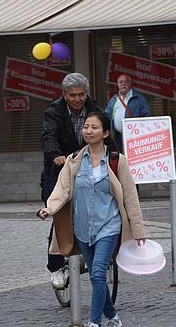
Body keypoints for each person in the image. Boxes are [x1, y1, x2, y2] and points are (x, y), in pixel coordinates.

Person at [38, 112, 146, 327]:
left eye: (94, 127)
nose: (88, 131)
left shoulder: (117, 161)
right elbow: (62, 190)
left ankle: (94, 323)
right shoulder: (74, 161)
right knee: (96, 278)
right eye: (86, 127)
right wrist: (48, 209)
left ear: (105, 133)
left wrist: (139, 230)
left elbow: (131, 198)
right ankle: (112, 316)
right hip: (82, 228)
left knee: (97, 272)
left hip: (109, 225)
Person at [41, 73, 103, 288]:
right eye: (72, 95)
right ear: (64, 95)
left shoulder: (95, 111)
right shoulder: (53, 112)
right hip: (59, 170)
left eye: (81, 95)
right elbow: (49, 137)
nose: (77, 99)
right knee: (60, 215)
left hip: (89, 167)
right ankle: (56, 266)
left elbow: (106, 135)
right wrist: (56, 156)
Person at [105, 73, 150, 151]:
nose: (123, 84)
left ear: (130, 83)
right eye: (121, 82)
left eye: (126, 82)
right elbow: (107, 116)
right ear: (118, 84)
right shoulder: (114, 99)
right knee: (120, 159)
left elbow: (146, 116)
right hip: (117, 136)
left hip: (134, 137)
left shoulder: (139, 98)